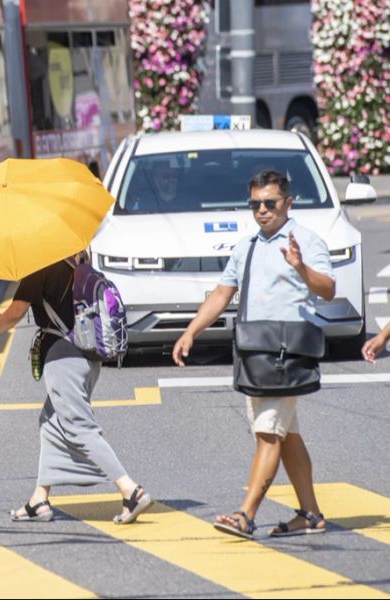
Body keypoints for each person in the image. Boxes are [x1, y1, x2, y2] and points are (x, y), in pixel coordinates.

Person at [172, 170, 335, 539]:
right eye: (255, 204)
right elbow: (220, 295)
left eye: (270, 203)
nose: (262, 211)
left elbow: (327, 289)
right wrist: (191, 332)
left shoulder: (306, 242)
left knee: (268, 434)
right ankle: (310, 514)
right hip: (255, 353)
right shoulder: (245, 247)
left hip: (287, 355)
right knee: (286, 434)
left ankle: (246, 515)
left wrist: (300, 267)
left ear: (288, 203)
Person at [0, 255, 153, 524]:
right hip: (88, 355)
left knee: (79, 426)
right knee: (50, 422)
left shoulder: (40, 265)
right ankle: (39, 499)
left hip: (63, 356)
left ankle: (131, 490)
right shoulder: (79, 258)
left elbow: (15, 313)